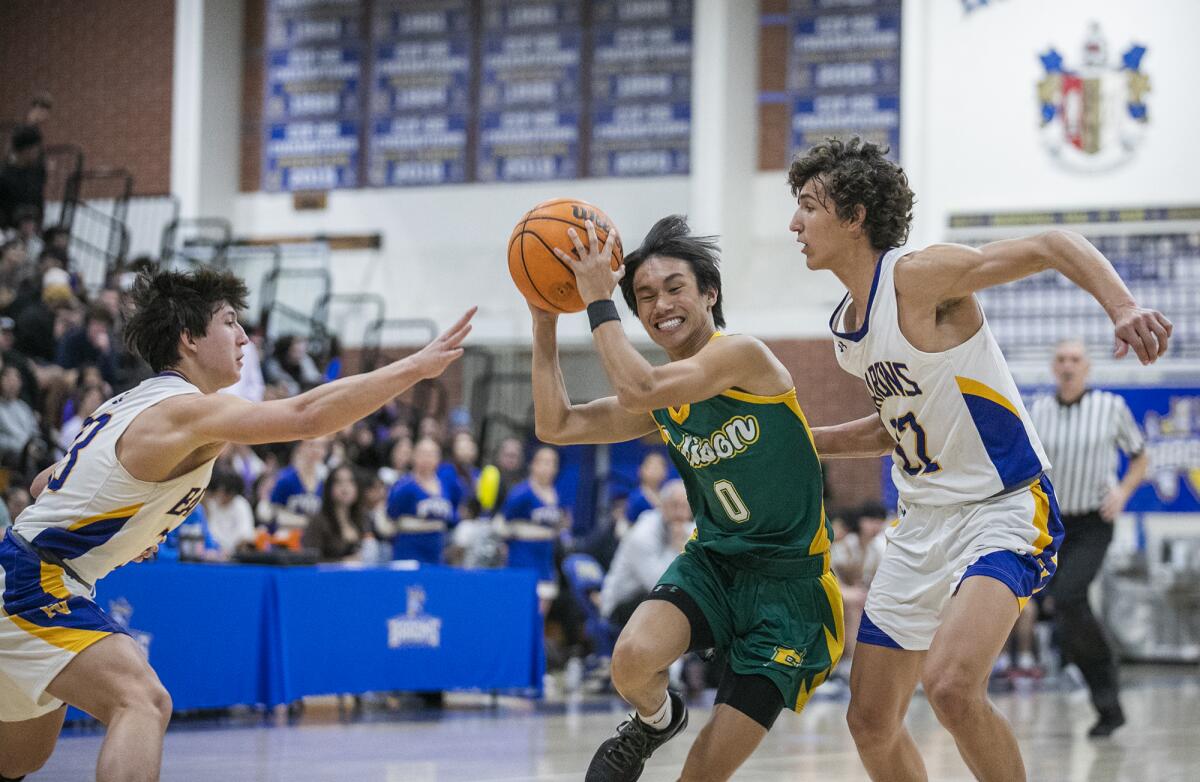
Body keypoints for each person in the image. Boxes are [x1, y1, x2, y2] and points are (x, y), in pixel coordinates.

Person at [788, 137, 1171, 781]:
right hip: (921, 523)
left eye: (807, 206)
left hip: (1003, 506)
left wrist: (1123, 306)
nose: (794, 224)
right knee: (870, 720)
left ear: (854, 216)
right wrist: (803, 438)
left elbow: (1052, 244)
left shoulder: (917, 276)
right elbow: (896, 429)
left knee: (951, 687)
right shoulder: (848, 330)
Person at [0, 266, 473, 781]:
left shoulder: (130, 402)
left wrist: (126, 529)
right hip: (33, 582)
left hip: (32, 571)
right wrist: (413, 369)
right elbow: (306, 415)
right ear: (188, 339)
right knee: (143, 701)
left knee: (19, 759)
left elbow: (45, 483)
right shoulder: (186, 411)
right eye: (230, 322)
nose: (245, 336)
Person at [531, 214, 842, 782]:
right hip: (715, 564)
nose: (659, 304)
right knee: (630, 661)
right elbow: (557, 425)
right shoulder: (663, 397)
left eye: (674, 288)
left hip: (789, 591)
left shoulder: (742, 355)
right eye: (644, 296)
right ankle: (656, 720)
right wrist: (543, 317)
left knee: (700, 775)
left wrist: (600, 299)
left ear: (710, 293)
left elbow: (640, 386)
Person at [1029, 339, 1148, 736]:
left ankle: (1105, 685)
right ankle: (1106, 702)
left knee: (1069, 597)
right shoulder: (1039, 410)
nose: (1068, 366)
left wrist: (1123, 492)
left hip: (1094, 521)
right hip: (1053, 525)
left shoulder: (1110, 407)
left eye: (1075, 360)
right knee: (1064, 611)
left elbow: (1140, 455)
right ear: (1053, 367)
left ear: (1087, 367)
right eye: (1061, 359)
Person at [599, 479, 694, 631]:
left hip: (650, 599)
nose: (680, 514)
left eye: (685, 506)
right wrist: (676, 549)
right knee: (673, 603)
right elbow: (660, 585)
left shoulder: (687, 528)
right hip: (622, 604)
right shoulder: (642, 533)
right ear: (663, 506)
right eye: (675, 505)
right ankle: (680, 654)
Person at [498, 445, 567, 611]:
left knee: (542, 611)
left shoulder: (556, 494)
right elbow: (501, 525)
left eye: (552, 463)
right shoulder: (522, 493)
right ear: (533, 465)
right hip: (522, 558)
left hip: (545, 560)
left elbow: (560, 524)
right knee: (521, 610)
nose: (548, 467)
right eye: (543, 462)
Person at [386, 437, 455, 564]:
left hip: (436, 551)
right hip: (408, 550)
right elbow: (391, 514)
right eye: (423, 454)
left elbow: (453, 514)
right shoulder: (404, 486)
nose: (427, 459)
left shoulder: (445, 483)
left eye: (431, 454)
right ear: (414, 456)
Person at [303, 464, 374, 563]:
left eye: (350, 482)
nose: (345, 488)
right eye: (339, 482)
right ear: (329, 488)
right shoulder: (318, 522)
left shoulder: (363, 519)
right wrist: (341, 562)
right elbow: (309, 560)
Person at [625, 451, 667, 527]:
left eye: (660, 466)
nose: (656, 471)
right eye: (652, 467)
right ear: (641, 470)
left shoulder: (668, 494)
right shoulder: (636, 497)